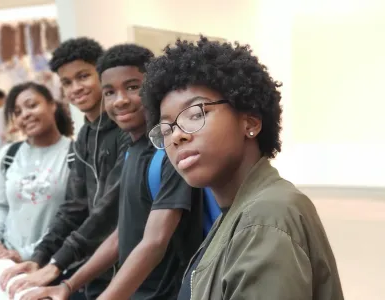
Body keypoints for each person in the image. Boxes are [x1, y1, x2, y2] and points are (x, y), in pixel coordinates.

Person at [142, 36, 345, 300]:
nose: (176, 136)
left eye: (195, 114)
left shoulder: (264, 217)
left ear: (251, 122)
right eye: (167, 127)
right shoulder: (237, 211)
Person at [19, 44, 204, 300]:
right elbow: (121, 235)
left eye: (132, 87)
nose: (120, 100)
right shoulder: (131, 151)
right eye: (110, 92)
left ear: (154, 88)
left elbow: (154, 243)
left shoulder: (169, 154)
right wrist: (67, 285)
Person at [0, 37, 131, 300]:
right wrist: (39, 259)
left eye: (83, 76)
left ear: (102, 75)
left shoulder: (127, 131)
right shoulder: (84, 137)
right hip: (94, 270)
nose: (76, 88)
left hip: (132, 269)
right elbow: (74, 207)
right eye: (67, 82)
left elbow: (110, 209)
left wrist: (56, 264)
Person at [0, 82, 73, 263]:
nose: (25, 115)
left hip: (55, 265)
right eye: (17, 112)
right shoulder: (9, 154)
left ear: (52, 105)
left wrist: (26, 254)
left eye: (32, 105)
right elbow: (1, 206)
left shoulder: (74, 154)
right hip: (7, 262)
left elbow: (77, 218)